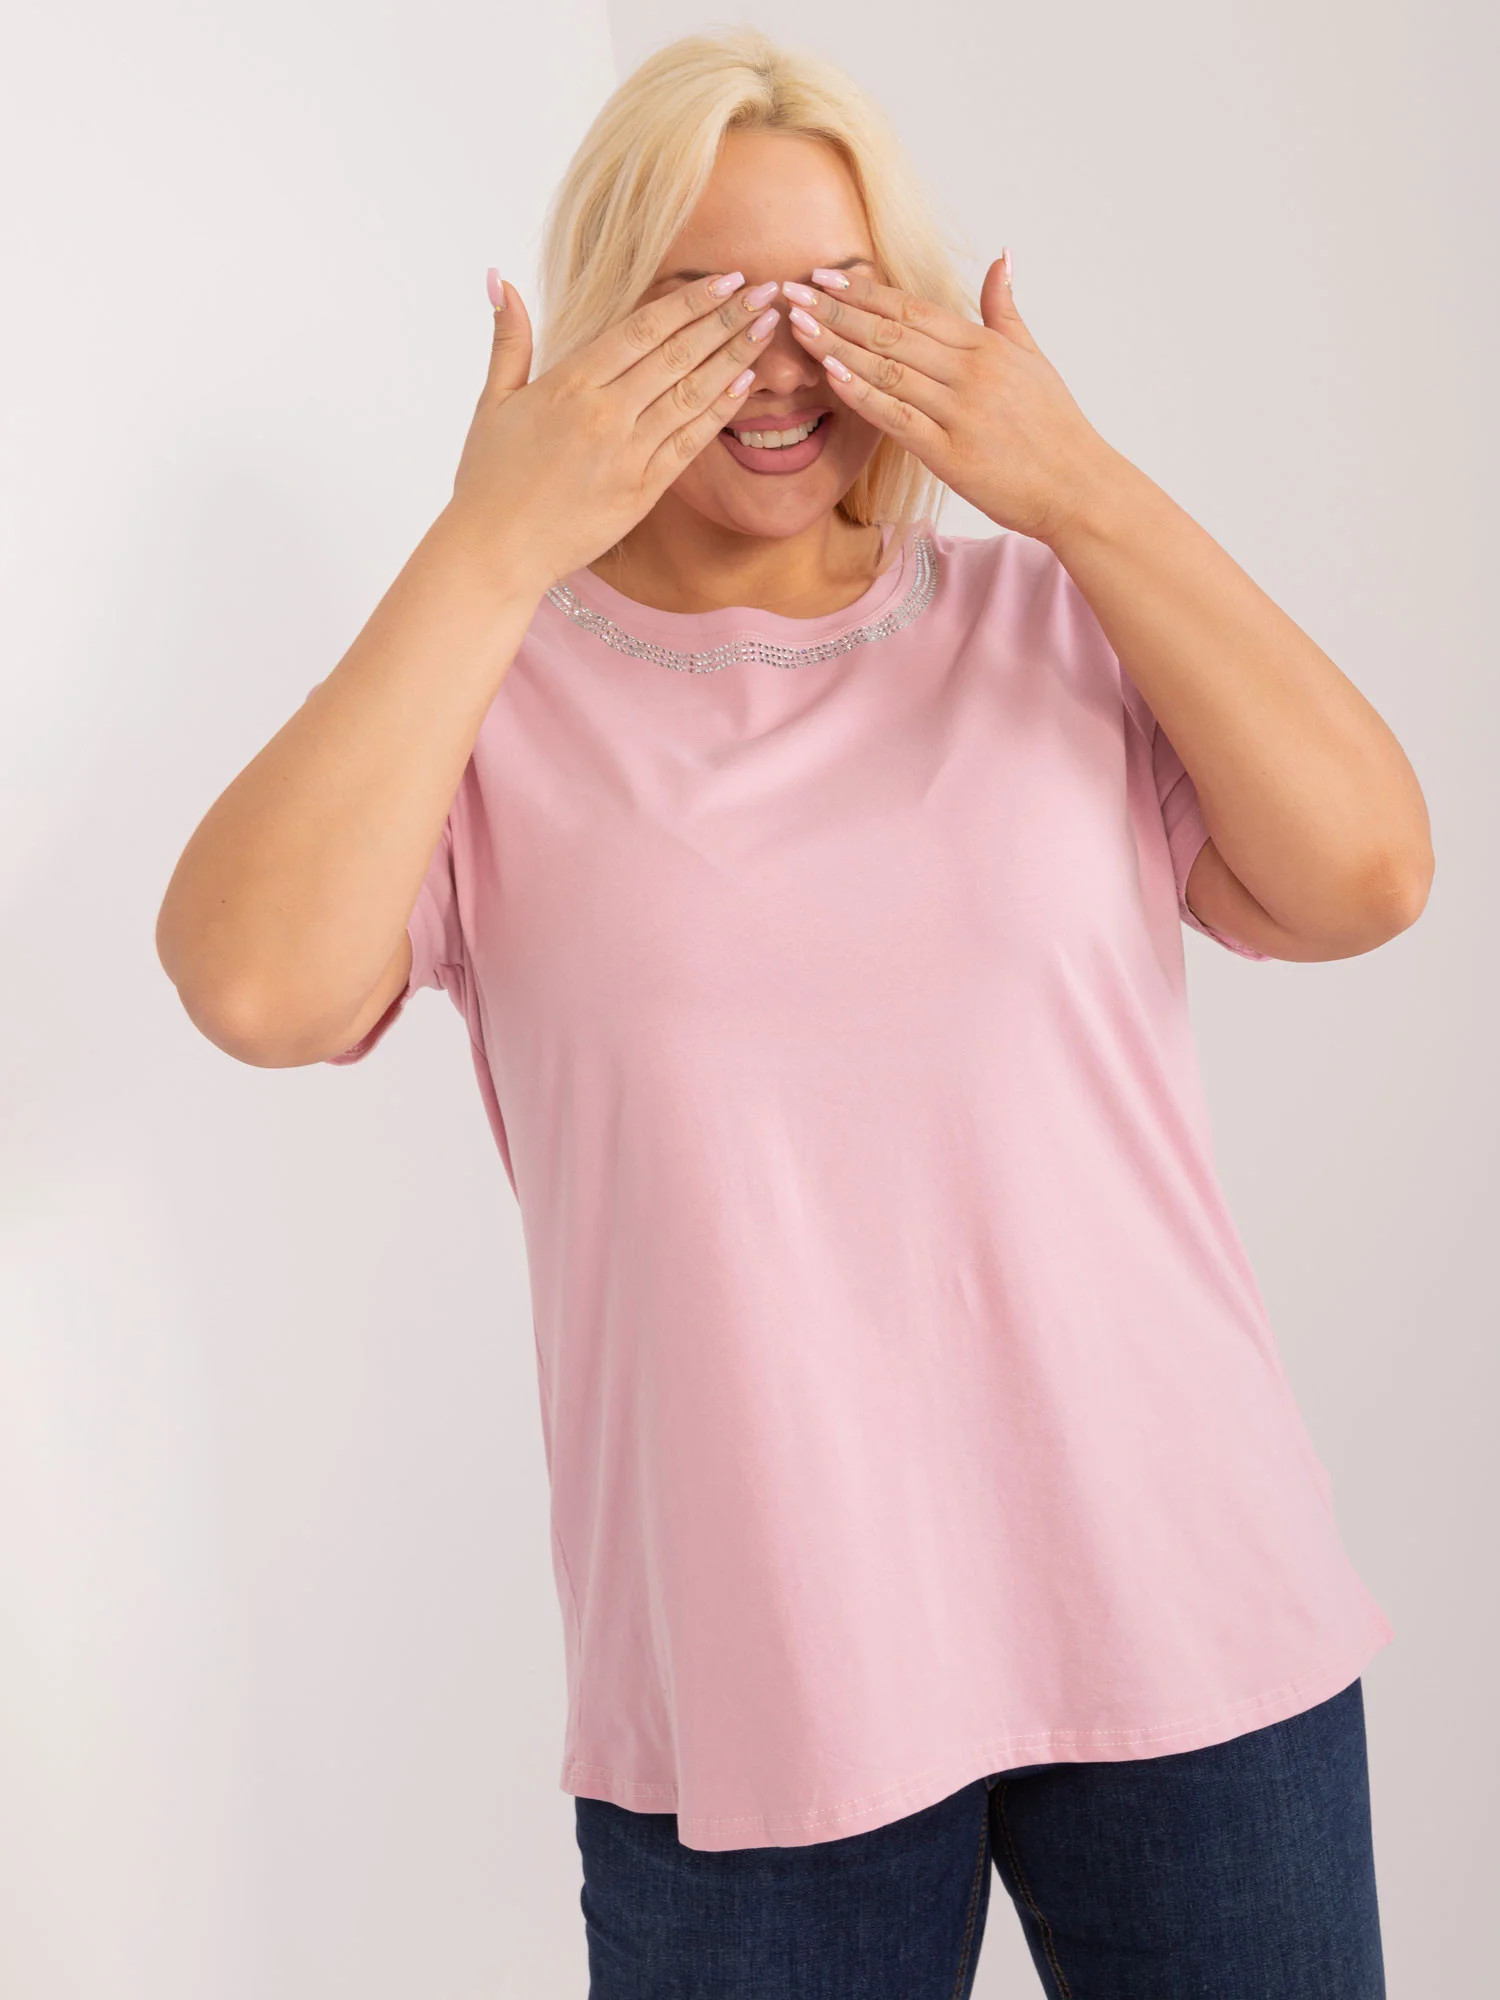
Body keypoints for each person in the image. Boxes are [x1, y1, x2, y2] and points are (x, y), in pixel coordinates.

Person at [155, 28, 1431, 1999]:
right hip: (759, 1684)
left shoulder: (1049, 625)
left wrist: (1079, 488)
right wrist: (491, 540)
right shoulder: (483, 701)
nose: (777, 361)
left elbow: (1370, 876)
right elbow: (252, 980)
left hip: (1184, 1614)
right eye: (703, 302)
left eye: (834, 296)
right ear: (602, 327)